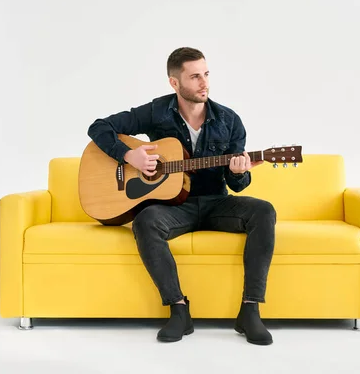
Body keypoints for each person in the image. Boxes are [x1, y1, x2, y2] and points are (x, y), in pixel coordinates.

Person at [87, 47, 276, 345]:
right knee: (146, 220)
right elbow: (99, 127)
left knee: (264, 211)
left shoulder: (230, 120)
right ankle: (178, 309)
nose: (204, 83)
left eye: (206, 74)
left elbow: (237, 186)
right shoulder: (157, 112)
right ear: (175, 83)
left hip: (217, 203)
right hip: (175, 206)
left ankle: (250, 310)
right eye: (195, 77)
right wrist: (129, 156)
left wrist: (239, 172)